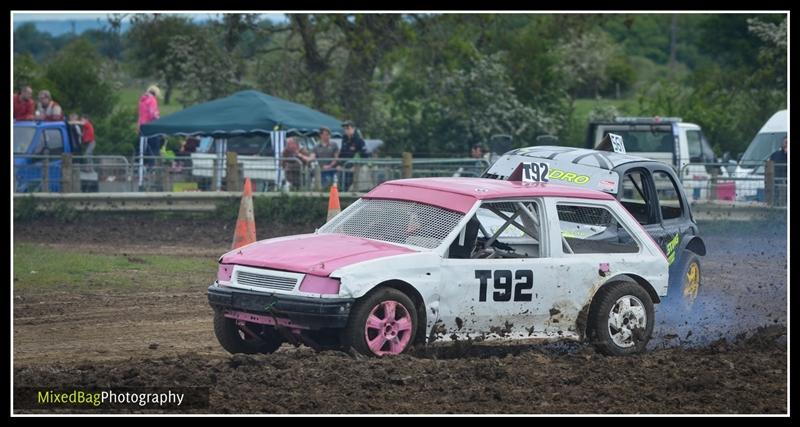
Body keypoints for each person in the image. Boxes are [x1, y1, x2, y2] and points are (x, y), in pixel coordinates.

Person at [338, 120, 369, 191]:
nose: (346, 130)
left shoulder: (359, 140)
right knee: (342, 184)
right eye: (345, 128)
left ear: (353, 128)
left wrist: (357, 166)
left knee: (354, 186)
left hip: (355, 167)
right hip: (344, 167)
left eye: (348, 128)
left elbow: (365, 156)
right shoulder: (344, 139)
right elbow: (342, 153)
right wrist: (339, 164)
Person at [138, 85, 162, 165]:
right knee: (154, 149)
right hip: (151, 128)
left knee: (143, 149)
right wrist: (160, 120)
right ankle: (152, 168)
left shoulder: (142, 100)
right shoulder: (152, 100)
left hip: (142, 127)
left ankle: (142, 167)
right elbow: (153, 114)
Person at [769, 137, 788, 205]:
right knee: (777, 200)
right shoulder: (775, 155)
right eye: (785, 142)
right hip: (777, 181)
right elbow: (769, 166)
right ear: (782, 143)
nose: (787, 144)